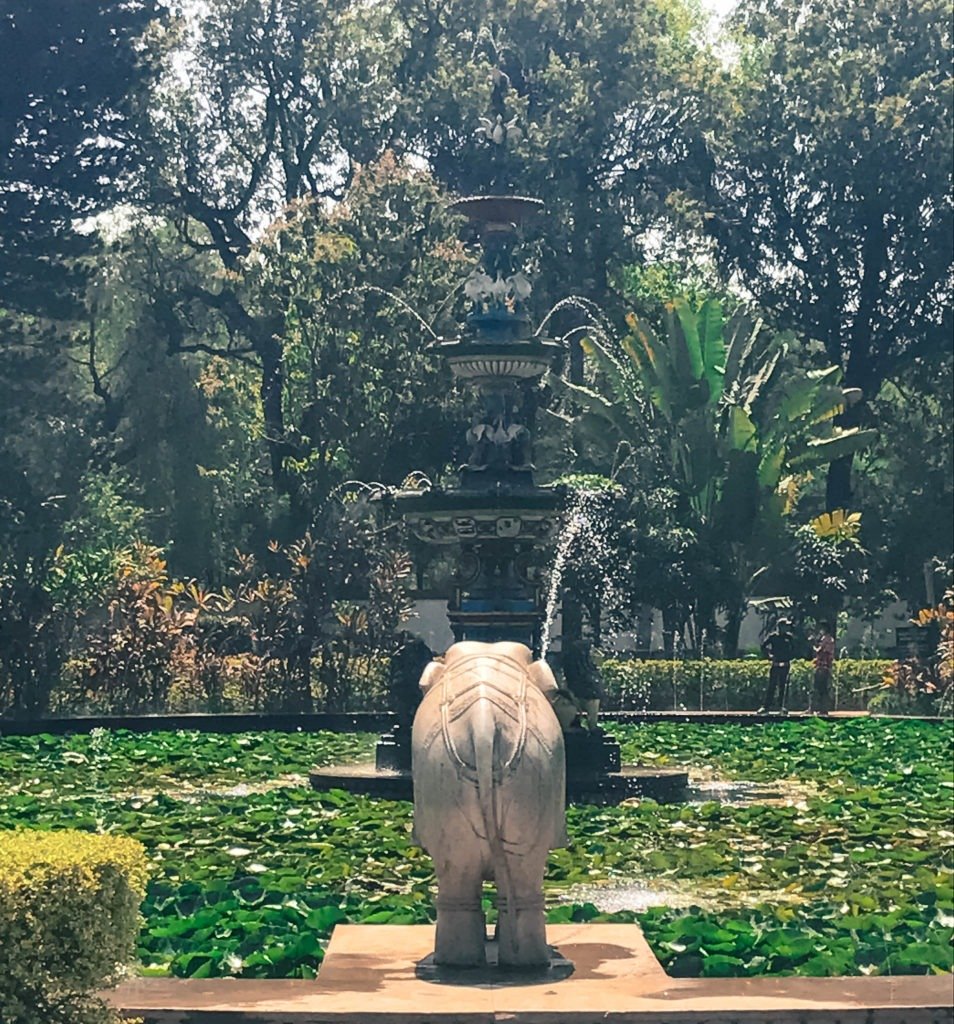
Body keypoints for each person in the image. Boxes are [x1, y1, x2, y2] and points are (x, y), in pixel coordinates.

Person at [758, 618, 795, 713]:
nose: (787, 628)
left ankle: (782, 706)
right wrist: (769, 655)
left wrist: (790, 656)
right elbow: (763, 646)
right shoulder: (773, 636)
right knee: (772, 685)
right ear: (780, 626)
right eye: (785, 626)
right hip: (776, 664)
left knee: (783, 686)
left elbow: (795, 648)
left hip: (785, 664)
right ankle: (766, 706)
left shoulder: (789, 637)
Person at [811, 622, 835, 715]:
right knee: (822, 688)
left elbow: (820, 651)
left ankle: (821, 709)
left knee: (819, 687)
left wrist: (813, 646)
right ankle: (821, 708)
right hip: (826, 666)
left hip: (822, 666)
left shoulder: (826, 639)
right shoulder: (831, 639)